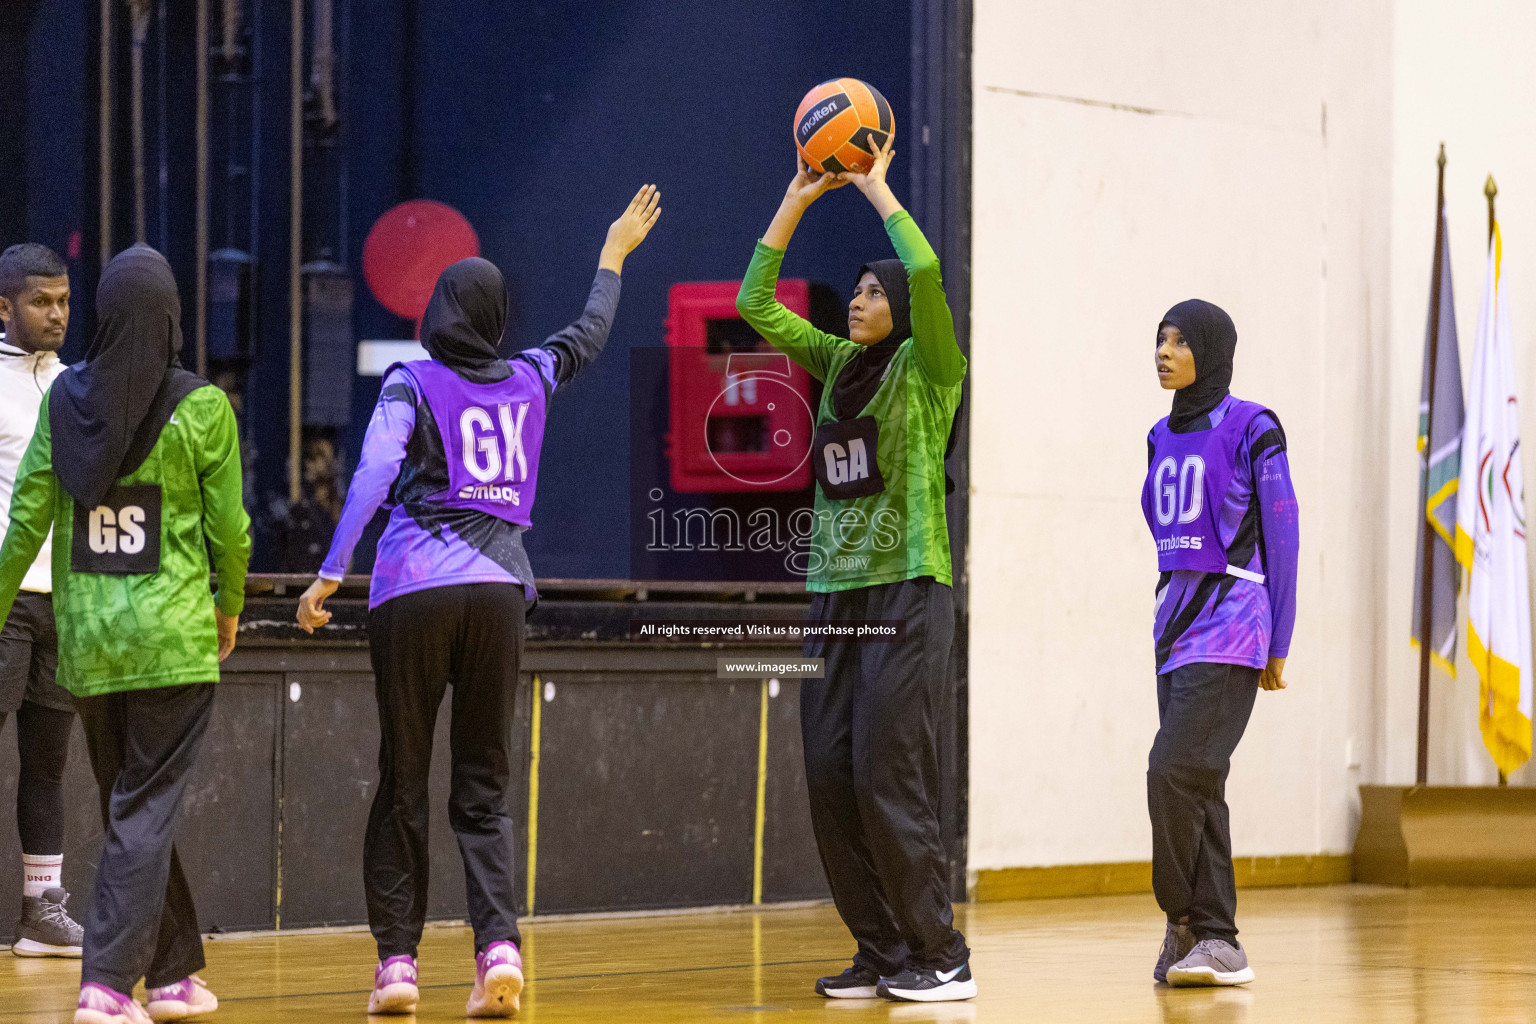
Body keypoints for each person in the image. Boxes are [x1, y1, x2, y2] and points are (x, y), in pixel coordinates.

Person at [295, 185, 661, 1018]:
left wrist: (328, 571)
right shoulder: (531, 376)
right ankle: (498, 947)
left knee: (402, 782)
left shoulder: (410, 382)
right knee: (484, 786)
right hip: (499, 596)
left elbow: (375, 473)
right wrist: (611, 255)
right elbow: (590, 335)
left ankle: (397, 965)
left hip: (414, 591)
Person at [735, 141, 973, 1003]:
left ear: (903, 307)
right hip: (835, 594)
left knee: (886, 767)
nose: (863, 299)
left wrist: (874, 189)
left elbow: (928, 268)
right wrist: (796, 198)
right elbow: (752, 301)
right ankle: (880, 947)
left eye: (877, 291)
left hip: (908, 584)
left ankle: (940, 950)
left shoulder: (932, 367)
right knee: (828, 771)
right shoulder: (837, 365)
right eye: (860, 290)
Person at [0, 244, 250, 1024]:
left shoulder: (65, 402)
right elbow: (231, 532)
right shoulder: (203, 407)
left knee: (134, 809)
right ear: (173, 318)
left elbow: (24, 524)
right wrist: (230, 604)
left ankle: (172, 975)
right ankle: (107, 987)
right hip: (173, 643)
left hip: (87, 646)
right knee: (142, 812)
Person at [1141, 300, 1298, 987]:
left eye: (1179, 340)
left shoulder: (1253, 427)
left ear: (1212, 349)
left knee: (1172, 770)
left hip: (1234, 620)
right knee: (1200, 783)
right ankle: (1213, 937)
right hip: (1172, 625)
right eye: (1159, 339)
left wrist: (1280, 640)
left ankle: (1190, 920)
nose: (1164, 350)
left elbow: (1284, 535)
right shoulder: (1155, 435)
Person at [0, 243, 85, 957]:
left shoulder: (78, 389)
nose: (55, 313)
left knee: (48, 767)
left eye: (62, 300)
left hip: (64, 605)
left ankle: (41, 914)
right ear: (4, 307)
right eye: (39, 301)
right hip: (3, 603)